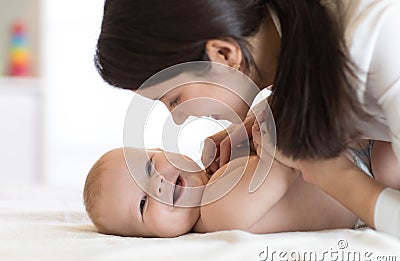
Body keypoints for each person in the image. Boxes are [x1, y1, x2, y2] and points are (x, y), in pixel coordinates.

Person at [94, 0, 400, 236]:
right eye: (144, 204)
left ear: (224, 56)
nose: (176, 120)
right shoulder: (305, 40)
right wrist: (271, 118)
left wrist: (332, 174)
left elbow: (285, 162)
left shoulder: (381, 39)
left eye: (174, 99)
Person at [83, 143, 360, 238]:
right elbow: (283, 163)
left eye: (148, 166)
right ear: (148, 236)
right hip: (360, 175)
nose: (156, 183)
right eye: (143, 204)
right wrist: (248, 136)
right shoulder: (217, 211)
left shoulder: (217, 184)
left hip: (349, 161)